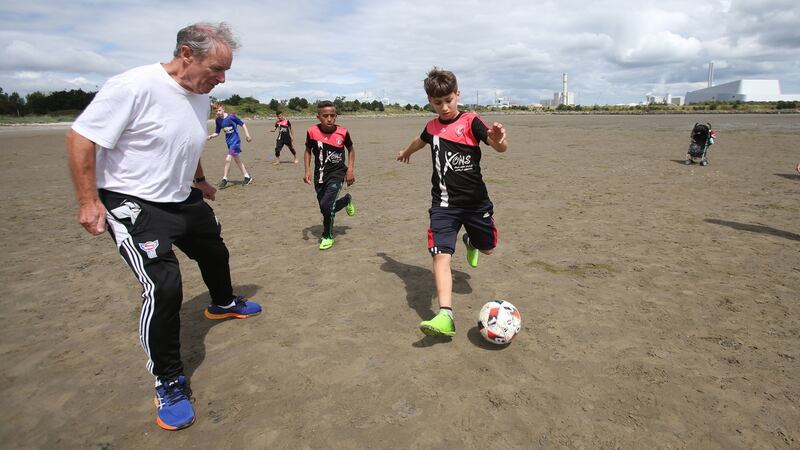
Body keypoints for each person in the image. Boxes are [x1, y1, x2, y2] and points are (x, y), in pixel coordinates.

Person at [66, 22, 261, 431]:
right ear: (186, 55)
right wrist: (88, 201)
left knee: (214, 250)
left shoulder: (199, 95)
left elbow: (184, 141)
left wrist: (202, 178)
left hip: (182, 196)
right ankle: (168, 380)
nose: (221, 79)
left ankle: (222, 303)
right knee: (164, 286)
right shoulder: (132, 85)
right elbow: (81, 138)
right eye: (216, 68)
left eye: (225, 71)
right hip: (135, 203)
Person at [396, 68, 508, 337]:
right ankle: (445, 315)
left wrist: (499, 140)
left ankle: (472, 241)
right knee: (440, 255)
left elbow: (496, 145)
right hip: (443, 205)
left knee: (489, 248)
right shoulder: (432, 127)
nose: (444, 107)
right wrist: (405, 152)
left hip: (476, 204)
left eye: (449, 100)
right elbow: (419, 142)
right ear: (429, 101)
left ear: (458, 94)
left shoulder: (470, 121)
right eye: (437, 103)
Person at [303, 100, 356, 250]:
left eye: (332, 115)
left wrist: (350, 170)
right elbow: (307, 151)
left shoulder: (343, 132)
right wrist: (306, 170)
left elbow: (351, 150)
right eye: (325, 115)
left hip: (337, 174)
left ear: (336, 116)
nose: (329, 118)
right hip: (318, 176)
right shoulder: (311, 132)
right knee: (324, 207)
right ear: (318, 117)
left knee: (327, 207)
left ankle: (327, 236)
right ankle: (346, 200)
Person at [207, 102, 253, 187]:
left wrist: (247, 135)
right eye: (216, 111)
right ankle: (247, 176)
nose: (218, 113)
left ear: (223, 109)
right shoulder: (218, 120)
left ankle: (224, 179)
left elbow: (243, 124)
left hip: (235, 141)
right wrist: (210, 136)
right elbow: (217, 132)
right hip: (229, 142)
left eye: (220, 110)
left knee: (228, 158)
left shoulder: (231, 117)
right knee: (237, 160)